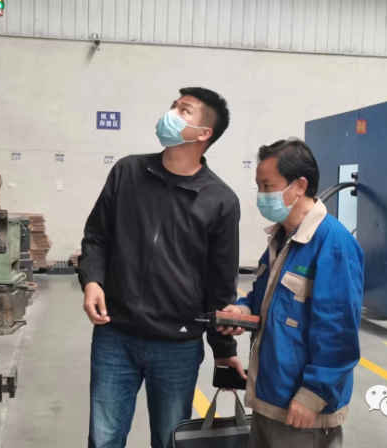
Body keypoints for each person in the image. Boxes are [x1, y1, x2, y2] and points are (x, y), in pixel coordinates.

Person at [79, 87, 244, 448]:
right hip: (114, 334)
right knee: (103, 439)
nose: (171, 113)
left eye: (184, 110)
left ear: (204, 133)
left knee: (170, 440)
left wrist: (223, 350)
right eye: (173, 106)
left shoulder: (220, 200)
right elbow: (97, 237)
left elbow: (220, 285)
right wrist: (92, 281)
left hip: (177, 344)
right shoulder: (127, 172)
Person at [220, 138, 364, 448]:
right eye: (259, 186)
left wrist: (312, 395)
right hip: (270, 397)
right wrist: (242, 312)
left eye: (268, 186)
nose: (261, 195)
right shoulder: (282, 238)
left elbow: (338, 333)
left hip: (302, 411)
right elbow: (262, 297)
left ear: (299, 185)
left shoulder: (333, 245)